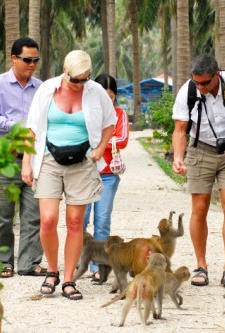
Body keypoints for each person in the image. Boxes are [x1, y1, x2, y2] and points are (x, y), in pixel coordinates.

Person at [22, 50, 116, 300]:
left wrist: (100, 148)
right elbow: (31, 128)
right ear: (65, 69)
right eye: (75, 80)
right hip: (49, 159)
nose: (79, 84)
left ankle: (68, 280)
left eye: (84, 79)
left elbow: (110, 122)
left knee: (76, 223)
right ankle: (51, 271)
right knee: (48, 220)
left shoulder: (96, 91)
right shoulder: (47, 90)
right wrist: (26, 163)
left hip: (83, 161)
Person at [172, 54, 225, 288]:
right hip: (200, 150)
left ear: (216, 76)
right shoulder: (187, 92)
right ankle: (201, 265)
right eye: (196, 82)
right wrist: (178, 158)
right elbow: (180, 129)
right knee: (199, 208)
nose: (199, 87)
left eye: (205, 83)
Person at [0, 37, 46, 278]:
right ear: (14, 58)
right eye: (27, 59)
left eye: (36, 60)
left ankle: (29, 263)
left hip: (34, 159)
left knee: (33, 215)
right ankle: (2, 262)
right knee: (2, 216)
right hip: (4, 161)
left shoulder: (41, 88)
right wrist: (16, 126)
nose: (32, 64)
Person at [83, 74, 129, 281]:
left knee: (102, 221)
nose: (107, 100)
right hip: (83, 172)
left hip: (108, 175)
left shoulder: (120, 114)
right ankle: (77, 260)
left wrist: (99, 143)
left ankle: (98, 265)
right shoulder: (83, 112)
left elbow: (123, 139)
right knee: (80, 220)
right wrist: (106, 140)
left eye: (111, 96)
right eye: (104, 95)